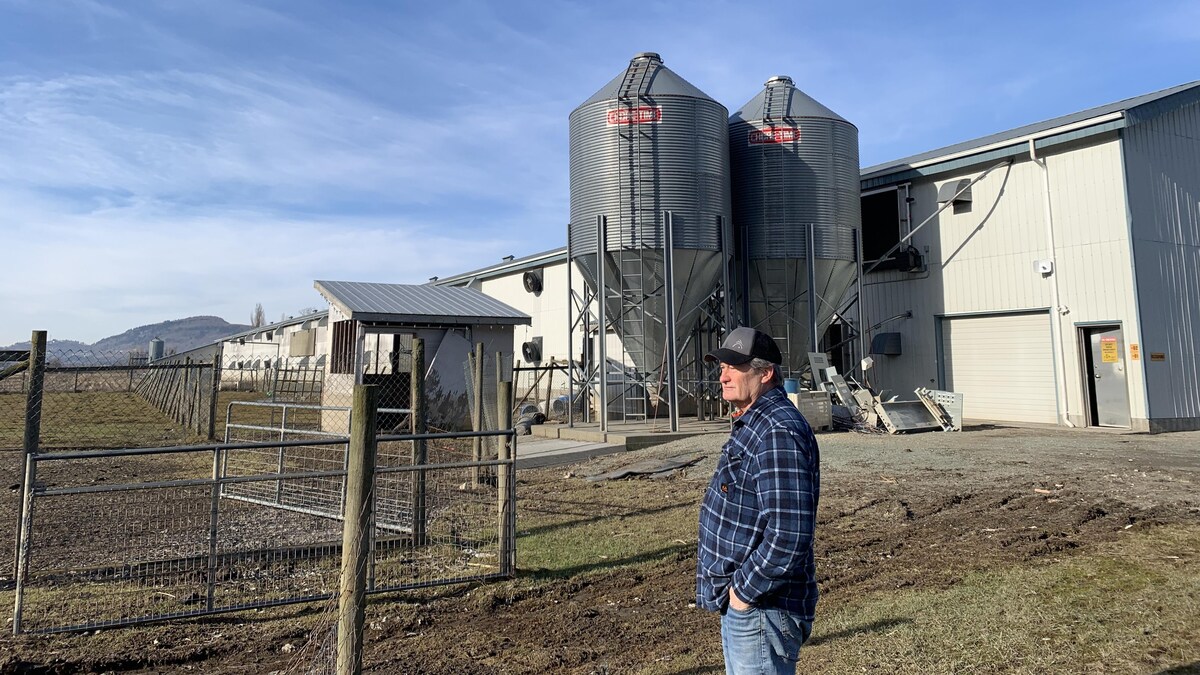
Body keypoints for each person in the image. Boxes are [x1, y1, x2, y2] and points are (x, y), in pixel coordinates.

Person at [696, 326, 821, 674]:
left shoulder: (777, 430)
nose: (723, 376)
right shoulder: (755, 421)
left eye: (734, 367)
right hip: (750, 608)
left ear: (765, 373)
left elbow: (790, 533)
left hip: (763, 607)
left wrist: (743, 594)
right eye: (721, 367)